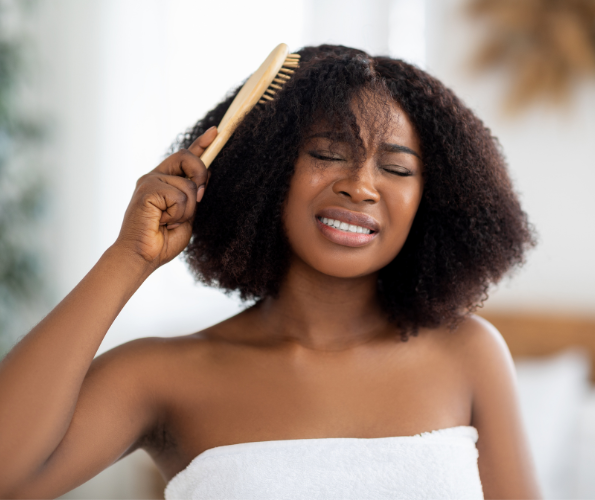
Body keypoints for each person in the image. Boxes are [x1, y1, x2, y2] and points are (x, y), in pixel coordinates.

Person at [0, 45, 540, 499]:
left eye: (396, 168)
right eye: (328, 154)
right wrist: (128, 258)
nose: (361, 185)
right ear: (267, 171)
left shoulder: (468, 354)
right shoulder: (164, 375)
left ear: (433, 200)